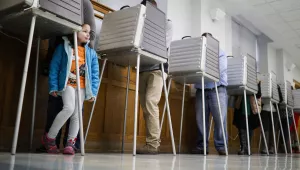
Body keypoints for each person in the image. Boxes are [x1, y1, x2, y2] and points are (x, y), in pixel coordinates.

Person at [37, 0, 96, 152]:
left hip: (82, 86)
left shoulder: (90, 53)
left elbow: (95, 74)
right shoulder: (63, 47)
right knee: (68, 108)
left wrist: (93, 91)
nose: (88, 35)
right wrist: (53, 86)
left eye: (89, 33)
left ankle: (71, 142)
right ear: (75, 31)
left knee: (77, 114)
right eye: (85, 31)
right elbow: (55, 68)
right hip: (67, 84)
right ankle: (50, 137)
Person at [136, 0, 173, 154]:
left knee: (151, 102)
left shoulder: (167, 23)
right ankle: (150, 142)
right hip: (142, 67)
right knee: (145, 107)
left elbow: (162, 46)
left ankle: (153, 144)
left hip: (158, 68)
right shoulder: (139, 21)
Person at [192, 32, 228, 155]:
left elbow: (220, 69)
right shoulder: (197, 53)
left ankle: (221, 146)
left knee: (220, 119)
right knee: (200, 119)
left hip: (217, 88)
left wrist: (200, 68)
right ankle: (202, 146)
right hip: (201, 89)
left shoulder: (220, 51)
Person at [232, 82, 262, 155]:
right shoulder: (240, 77)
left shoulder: (255, 80)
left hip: (251, 106)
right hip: (241, 104)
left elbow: (259, 94)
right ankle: (243, 147)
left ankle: (248, 148)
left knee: (250, 127)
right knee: (241, 126)